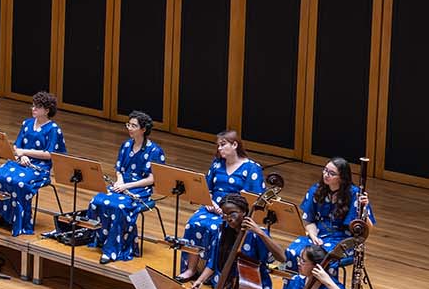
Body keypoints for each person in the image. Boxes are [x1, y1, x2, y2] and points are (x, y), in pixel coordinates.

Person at [180, 130, 265, 278]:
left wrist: (226, 211)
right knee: (193, 223)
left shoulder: (252, 168)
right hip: (212, 207)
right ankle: (191, 269)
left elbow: (253, 199)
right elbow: (207, 188)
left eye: (223, 144)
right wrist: (211, 203)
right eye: (218, 145)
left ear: (235, 145)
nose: (219, 148)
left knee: (216, 229)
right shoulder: (217, 164)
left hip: (233, 213)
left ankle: (214, 273)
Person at [87, 111, 165, 264]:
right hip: (123, 184)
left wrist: (126, 186)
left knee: (119, 207)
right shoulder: (126, 145)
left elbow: (153, 178)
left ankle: (113, 249)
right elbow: (119, 168)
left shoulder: (155, 151)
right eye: (129, 124)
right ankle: (100, 238)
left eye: (134, 126)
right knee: (97, 200)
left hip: (140, 189)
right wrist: (119, 181)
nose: (129, 128)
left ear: (143, 129)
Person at [0, 90, 66, 236]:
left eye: (37, 107)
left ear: (46, 110)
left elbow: (49, 154)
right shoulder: (27, 123)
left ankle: (19, 221)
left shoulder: (53, 129)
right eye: (33, 106)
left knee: (19, 182)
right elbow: (16, 146)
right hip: (20, 161)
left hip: (39, 168)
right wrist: (21, 156)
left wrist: (24, 153)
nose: (33, 109)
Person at [286, 157, 372, 271]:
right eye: (325, 170)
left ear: (341, 178)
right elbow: (308, 220)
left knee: (322, 257)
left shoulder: (355, 194)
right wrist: (313, 236)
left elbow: (367, 230)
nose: (326, 175)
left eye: (332, 173)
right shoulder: (316, 190)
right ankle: (296, 286)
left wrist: (364, 208)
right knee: (292, 252)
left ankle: (323, 288)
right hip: (318, 235)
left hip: (343, 240)